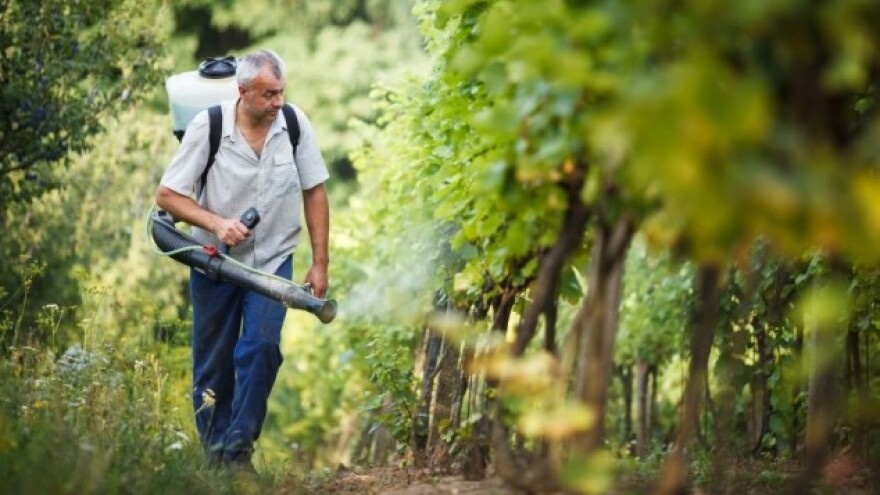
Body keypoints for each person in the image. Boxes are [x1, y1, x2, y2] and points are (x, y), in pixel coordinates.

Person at [155, 49, 330, 471]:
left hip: (272, 261)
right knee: (213, 364)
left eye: (281, 92)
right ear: (243, 91)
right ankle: (215, 457)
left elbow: (315, 191)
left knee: (262, 348)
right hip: (214, 262)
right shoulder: (209, 126)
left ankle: (238, 449)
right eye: (269, 94)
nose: (278, 102)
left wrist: (320, 262)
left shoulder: (294, 124)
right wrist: (217, 223)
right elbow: (168, 196)